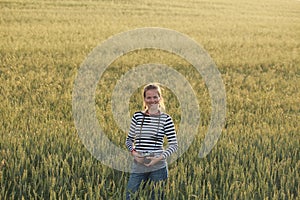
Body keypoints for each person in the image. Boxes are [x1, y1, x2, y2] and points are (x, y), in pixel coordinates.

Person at [125, 83, 178, 200]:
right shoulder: (137, 116)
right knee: (130, 196)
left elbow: (174, 144)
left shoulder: (166, 119)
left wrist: (159, 158)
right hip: (139, 164)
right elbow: (129, 140)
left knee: (158, 197)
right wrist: (134, 154)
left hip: (158, 165)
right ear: (144, 99)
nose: (152, 100)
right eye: (148, 97)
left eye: (155, 97)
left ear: (160, 98)